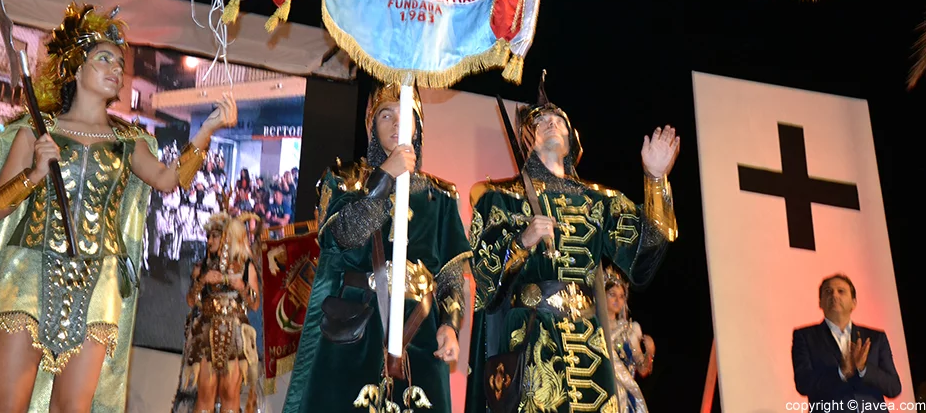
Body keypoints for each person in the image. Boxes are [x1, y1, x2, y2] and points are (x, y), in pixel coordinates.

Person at [0, 1, 238, 413]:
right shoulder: (36, 131)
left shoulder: (128, 142)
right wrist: (34, 173)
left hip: (99, 281)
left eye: (120, 64)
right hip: (28, 273)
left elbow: (168, 179)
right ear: (76, 66)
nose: (117, 70)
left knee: (73, 408)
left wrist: (207, 131)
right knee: (6, 405)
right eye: (105, 59)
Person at [465, 73, 679, 413]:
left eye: (557, 120)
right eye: (541, 122)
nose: (550, 124)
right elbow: (484, 280)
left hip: (590, 342)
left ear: (571, 138)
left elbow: (642, 255)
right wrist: (521, 242)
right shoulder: (499, 198)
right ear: (528, 139)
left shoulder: (599, 200)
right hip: (531, 336)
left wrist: (655, 179)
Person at [282, 81, 471, 413]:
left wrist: (449, 324)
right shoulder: (344, 179)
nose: (397, 124)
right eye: (386, 115)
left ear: (419, 126)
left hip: (420, 329)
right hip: (359, 325)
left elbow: (451, 276)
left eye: (406, 115)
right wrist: (384, 178)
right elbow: (342, 236)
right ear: (372, 126)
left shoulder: (441, 196)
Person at [172, 208, 262, 413]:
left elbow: (255, 304)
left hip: (236, 337)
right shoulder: (201, 267)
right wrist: (202, 280)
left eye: (215, 236)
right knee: (205, 394)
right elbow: (190, 301)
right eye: (208, 236)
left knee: (230, 394)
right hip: (206, 336)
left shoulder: (245, 267)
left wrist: (240, 286)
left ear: (227, 238)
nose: (209, 241)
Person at [792, 274, 902, 407]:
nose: (834, 295)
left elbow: (894, 388)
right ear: (820, 302)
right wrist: (841, 372)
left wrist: (864, 369)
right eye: (828, 291)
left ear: (854, 302)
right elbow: (803, 384)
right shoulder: (805, 336)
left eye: (841, 291)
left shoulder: (875, 337)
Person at [605, 266, 654, 413]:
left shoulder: (629, 330)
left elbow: (642, 369)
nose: (617, 300)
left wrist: (650, 352)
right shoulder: (593, 328)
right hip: (601, 391)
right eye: (612, 294)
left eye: (621, 296)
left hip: (623, 399)